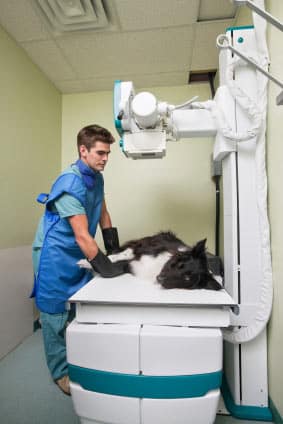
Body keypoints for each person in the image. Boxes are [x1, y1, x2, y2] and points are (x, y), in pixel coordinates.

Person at [31, 124, 127, 395]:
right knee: (54, 315)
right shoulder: (69, 183)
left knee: (77, 309)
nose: (105, 158)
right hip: (55, 255)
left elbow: (103, 213)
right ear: (82, 151)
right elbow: (83, 236)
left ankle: (79, 355)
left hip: (78, 253)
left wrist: (114, 251)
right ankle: (60, 372)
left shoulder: (97, 177)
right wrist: (110, 270)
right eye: (100, 153)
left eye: (108, 153)